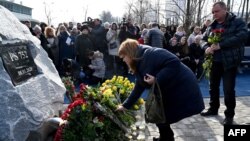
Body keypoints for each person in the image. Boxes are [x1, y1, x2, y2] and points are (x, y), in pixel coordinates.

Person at [116, 39, 204, 141]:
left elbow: (174, 62)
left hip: (181, 86)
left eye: (124, 57)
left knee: (162, 115)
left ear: (129, 53)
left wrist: (157, 79)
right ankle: (166, 137)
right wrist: (125, 105)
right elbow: (139, 86)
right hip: (171, 88)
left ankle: (166, 138)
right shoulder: (139, 61)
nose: (123, 60)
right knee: (160, 114)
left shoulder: (151, 53)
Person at [200, 1, 248, 125]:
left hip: (230, 62)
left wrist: (220, 45)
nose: (214, 14)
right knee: (212, 87)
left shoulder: (237, 21)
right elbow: (202, 39)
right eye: (212, 12)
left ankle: (229, 115)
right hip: (213, 62)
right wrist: (206, 47)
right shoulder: (212, 25)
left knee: (228, 90)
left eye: (216, 11)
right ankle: (213, 108)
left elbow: (243, 36)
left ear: (224, 9)